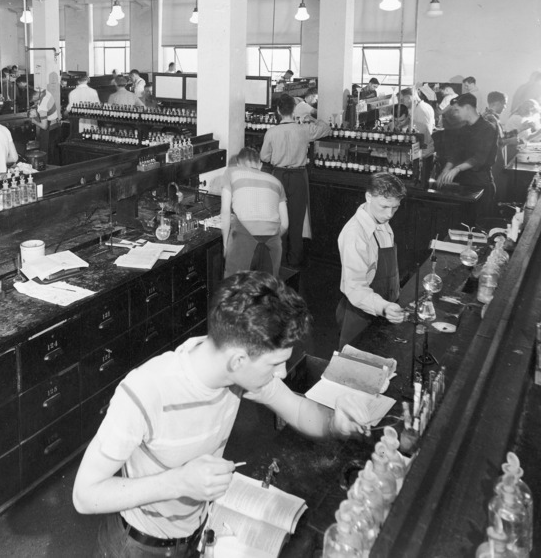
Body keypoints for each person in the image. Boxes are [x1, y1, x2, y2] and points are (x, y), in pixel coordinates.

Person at [73, 271, 371, 558]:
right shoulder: (146, 390)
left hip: (197, 533)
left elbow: (298, 408)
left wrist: (334, 422)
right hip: (137, 547)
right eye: (275, 364)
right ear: (238, 360)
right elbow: (85, 495)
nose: (281, 373)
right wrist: (179, 482)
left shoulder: (239, 377)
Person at [337, 173, 407, 347]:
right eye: (384, 206)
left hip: (384, 307)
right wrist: (383, 307)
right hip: (360, 313)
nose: (390, 214)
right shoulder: (355, 234)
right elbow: (354, 287)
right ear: (368, 197)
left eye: (395, 207)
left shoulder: (382, 221)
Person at [260, 93, 330, 268]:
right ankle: (294, 263)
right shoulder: (303, 130)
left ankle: (280, 262)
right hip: (299, 177)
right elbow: (326, 128)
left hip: (278, 177)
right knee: (297, 221)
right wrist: (310, 117)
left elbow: (264, 157)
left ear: (277, 110)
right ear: (293, 110)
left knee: (279, 220)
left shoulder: (271, 132)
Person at [221, 148, 288, 278]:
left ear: (238, 165)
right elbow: (285, 223)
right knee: (266, 291)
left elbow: (225, 211)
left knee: (237, 290)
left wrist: (225, 244)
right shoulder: (277, 182)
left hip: (243, 238)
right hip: (272, 242)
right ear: (260, 165)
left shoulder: (231, 173)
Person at [436, 93, 499, 214]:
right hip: (465, 183)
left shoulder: (488, 128)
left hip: (481, 183)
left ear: (467, 108)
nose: (455, 113)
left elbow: (479, 158)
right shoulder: (464, 129)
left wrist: (456, 169)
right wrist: (446, 169)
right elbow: (456, 152)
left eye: (457, 110)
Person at [398, 87, 434, 157]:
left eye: (402, 100)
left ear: (409, 98)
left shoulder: (421, 110)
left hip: (421, 149)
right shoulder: (421, 107)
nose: (401, 103)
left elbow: (421, 134)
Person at [30, 85, 61, 164]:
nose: (34, 102)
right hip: (56, 126)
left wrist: (34, 121)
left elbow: (44, 126)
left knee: (46, 155)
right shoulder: (46, 92)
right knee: (55, 154)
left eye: (34, 100)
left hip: (49, 130)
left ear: (35, 96)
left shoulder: (42, 106)